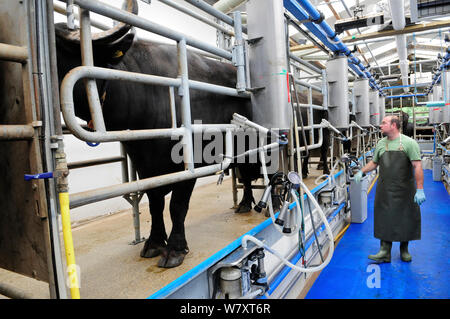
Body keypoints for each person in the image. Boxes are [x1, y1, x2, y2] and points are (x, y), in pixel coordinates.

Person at [354, 115, 426, 263]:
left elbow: (417, 166)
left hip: (405, 189)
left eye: (384, 123)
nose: (380, 125)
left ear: (393, 125)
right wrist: (362, 171)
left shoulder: (409, 143)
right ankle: (384, 251)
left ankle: (404, 250)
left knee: (405, 217)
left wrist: (420, 189)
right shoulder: (381, 143)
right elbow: (374, 163)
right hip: (385, 189)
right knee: (384, 218)